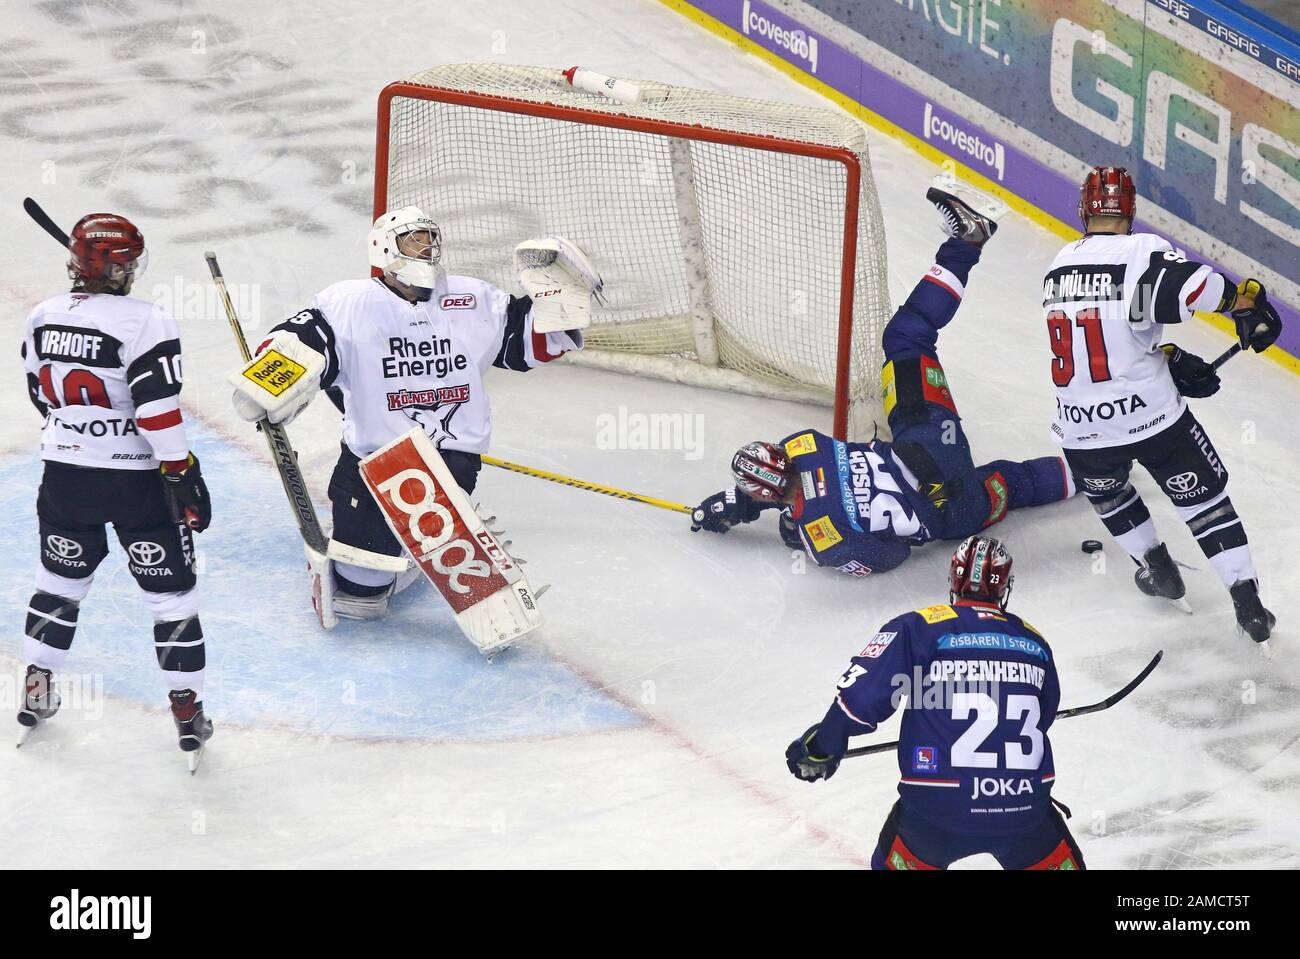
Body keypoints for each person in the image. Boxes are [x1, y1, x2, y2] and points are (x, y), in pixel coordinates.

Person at [230, 207, 598, 621]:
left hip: (449, 459)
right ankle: (400, 554)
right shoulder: (349, 303)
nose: (424, 247)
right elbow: (300, 339)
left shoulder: (471, 297)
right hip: (372, 460)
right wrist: (270, 378)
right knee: (358, 595)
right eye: (412, 239)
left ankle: (409, 547)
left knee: (367, 587)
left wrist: (559, 305)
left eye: (429, 238)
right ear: (384, 248)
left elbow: (525, 346)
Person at [690, 187, 1073, 576]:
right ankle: (966, 243)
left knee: (1015, 483)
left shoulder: (824, 541)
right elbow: (788, 477)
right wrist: (742, 502)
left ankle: (1094, 472)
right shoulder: (802, 446)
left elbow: (892, 557)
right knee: (906, 338)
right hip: (930, 436)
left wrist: (790, 528)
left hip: (954, 509)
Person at [1043, 166, 1282, 645]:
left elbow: (1106, 340)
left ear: (1083, 211)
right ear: (1130, 210)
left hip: (1081, 425)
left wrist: (1168, 356)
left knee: (1110, 494)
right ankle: (1247, 601)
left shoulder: (1057, 265)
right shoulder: (1140, 251)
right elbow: (1196, 289)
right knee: (1206, 503)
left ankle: (1157, 567)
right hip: (1151, 418)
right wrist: (1242, 303)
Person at [18, 213, 213, 767]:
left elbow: (40, 392)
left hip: (66, 477)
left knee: (57, 584)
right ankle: (187, 709)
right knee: (170, 597)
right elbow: (156, 410)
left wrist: (82, 434)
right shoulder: (146, 321)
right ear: (120, 267)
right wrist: (182, 472)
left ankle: (37, 684)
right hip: (137, 485)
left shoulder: (41, 315)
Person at [786, 535, 1085, 870]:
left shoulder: (921, 626)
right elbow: (1044, 716)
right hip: (1023, 811)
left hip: (936, 813)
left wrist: (823, 744)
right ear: (1004, 586)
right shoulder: (1033, 641)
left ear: (953, 580)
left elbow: (863, 697)